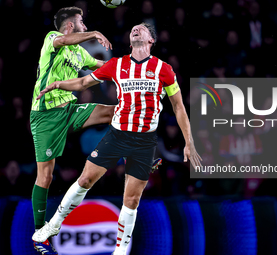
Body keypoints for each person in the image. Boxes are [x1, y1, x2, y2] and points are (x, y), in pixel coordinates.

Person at [32, 22, 202, 255]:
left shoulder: (164, 69)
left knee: (131, 201)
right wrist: (59, 84)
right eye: (133, 28)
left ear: (151, 40)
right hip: (117, 134)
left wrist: (189, 142)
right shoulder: (117, 64)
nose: (135, 29)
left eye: (141, 28)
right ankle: (52, 225)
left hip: (144, 142)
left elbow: (179, 107)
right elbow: (83, 82)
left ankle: (119, 252)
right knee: (85, 180)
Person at [30, 6, 115, 254]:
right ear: (70, 25)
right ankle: (39, 234)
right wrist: (95, 33)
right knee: (45, 177)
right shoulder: (52, 39)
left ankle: (137, 153)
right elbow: (65, 40)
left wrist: (131, 68)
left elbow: (104, 65)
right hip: (45, 116)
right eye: (82, 23)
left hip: (69, 110)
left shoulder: (79, 53)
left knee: (112, 112)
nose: (85, 27)